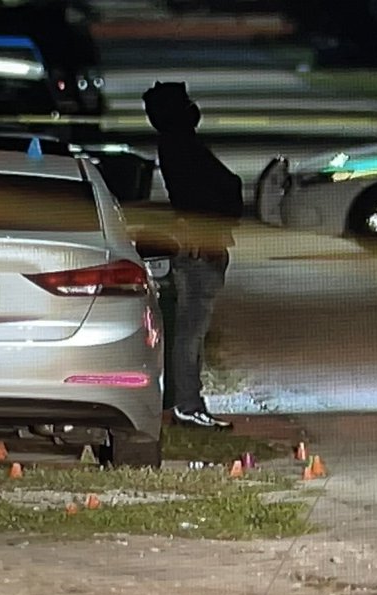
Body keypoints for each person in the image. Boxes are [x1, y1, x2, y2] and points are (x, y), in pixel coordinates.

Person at [142, 81, 241, 430]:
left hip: (202, 246)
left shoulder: (177, 146)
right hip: (200, 251)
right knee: (190, 332)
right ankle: (187, 403)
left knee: (191, 332)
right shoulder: (181, 146)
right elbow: (219, 187)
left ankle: (188, 400)